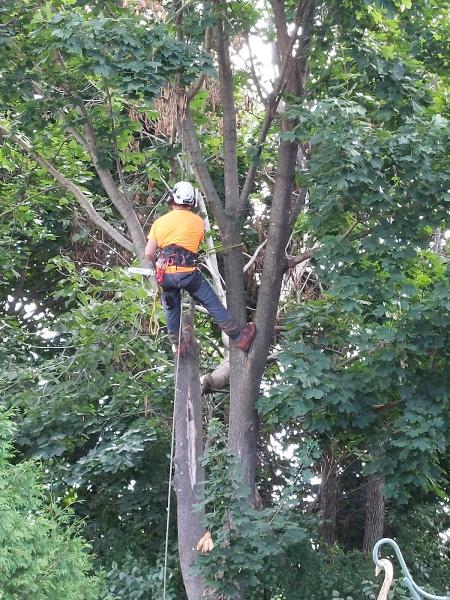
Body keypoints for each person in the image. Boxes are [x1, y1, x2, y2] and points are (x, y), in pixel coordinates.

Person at [145, 181, 256, 356]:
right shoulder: (198, 222)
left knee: (171, 307)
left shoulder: (160, 222)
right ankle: (238, 337)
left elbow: (149, 252)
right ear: (191, 202)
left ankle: (178, 345)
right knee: (212, 303)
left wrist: (159, 263)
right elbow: (194, 247)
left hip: (166, 275)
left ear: (172, 199)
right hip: (188, 275)